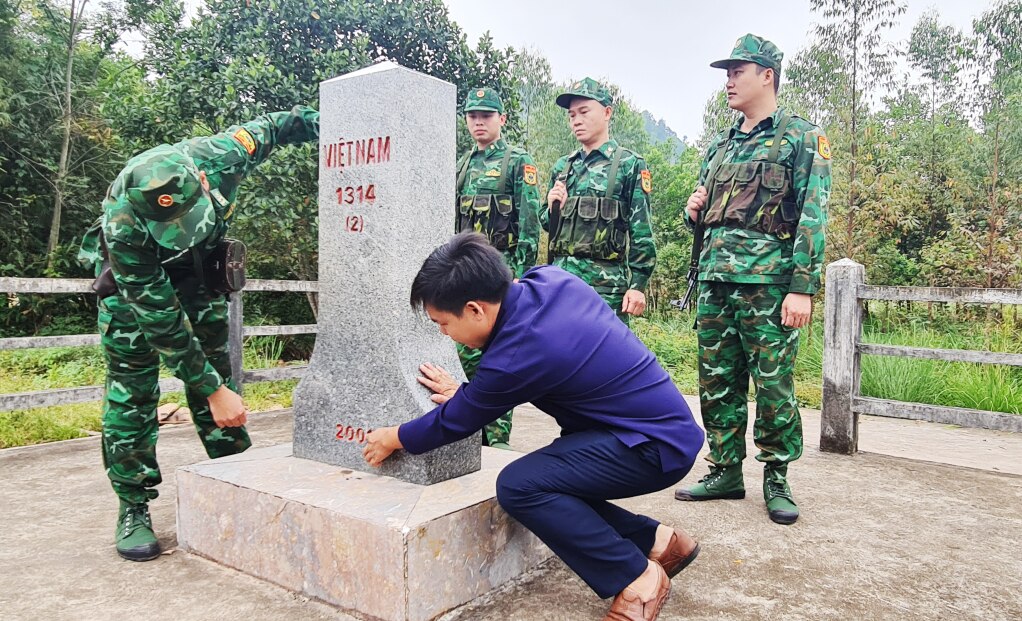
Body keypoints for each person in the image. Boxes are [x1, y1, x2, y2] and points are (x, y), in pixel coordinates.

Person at [362, 232, 705, 621]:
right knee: (552, 477)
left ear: (475, 309)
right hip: (658, 428)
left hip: (651, 449)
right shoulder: (551, 280)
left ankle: (639, 579)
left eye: (443, 323)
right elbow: (522, 367)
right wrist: (471, 393)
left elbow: (457, 421)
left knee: (520, 486)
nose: (444, 334)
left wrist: (393, 437)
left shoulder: (517, 353)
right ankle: (661, 542)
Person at [77, 106, 320, 561]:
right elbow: (160, 318)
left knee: (220, 378)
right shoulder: (124, 223)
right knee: (133, 394)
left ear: (203, 181)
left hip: (198, 279)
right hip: (136, 295)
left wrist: (341, 124)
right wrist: (207, 387)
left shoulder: (223, 153)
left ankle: (238, 478)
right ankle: (133, 504)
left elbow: (281, 124)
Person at [673, 34, 831, 525]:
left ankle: (777, 476)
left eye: (738, 71)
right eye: (727, 73)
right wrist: (691, 212)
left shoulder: (802, 138)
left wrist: (802, 286)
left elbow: (813, 214)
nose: (729, 80)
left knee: (773, 384)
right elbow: (710, 213)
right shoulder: (721, 144)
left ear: (768, 75)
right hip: (716, 279)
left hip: (768, 283)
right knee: (717, 380)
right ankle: (724, 469)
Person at [455, 87, 542, 449]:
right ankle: (466, 429)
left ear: (501, 119)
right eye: (473, 115)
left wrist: (521, 275)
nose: (479, 121)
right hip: (464, 277)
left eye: (486, 115)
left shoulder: (518, 161)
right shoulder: (461, 166)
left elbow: (530, 221)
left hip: (501, 275)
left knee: (498, 354)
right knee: (463, 351)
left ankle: (497, 437)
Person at [544, 77, 656, 325]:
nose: (576, 120)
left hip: (606, 289)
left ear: (607, 113)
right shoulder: (563, 167)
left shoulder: (629, 165)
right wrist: (554, 207)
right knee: (560, 356)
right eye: (572, 115)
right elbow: (546, 224)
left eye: (584, 112)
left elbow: (641, 231)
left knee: (606, 361)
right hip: (561, 284)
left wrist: (638, 284)